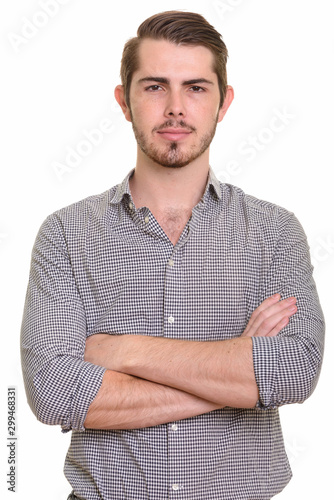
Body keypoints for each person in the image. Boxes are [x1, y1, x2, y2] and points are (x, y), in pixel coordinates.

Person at [21, 10, 325, 500]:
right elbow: (55, 394)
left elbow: (293, 371)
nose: (176, 108)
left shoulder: (274, 232)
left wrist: (122, 352)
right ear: (124, 101)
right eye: (155, 86)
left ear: (224, 102)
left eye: (197, 88)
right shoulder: (66, 235)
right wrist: (233, 372)